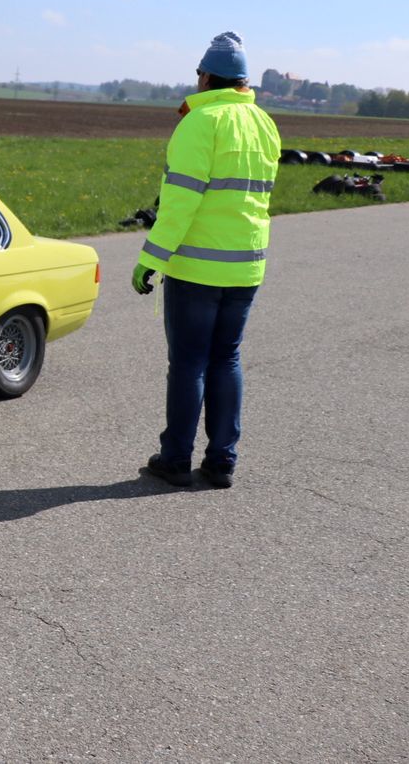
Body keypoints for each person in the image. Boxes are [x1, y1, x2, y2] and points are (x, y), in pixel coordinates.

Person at [132, 31, 280, 489]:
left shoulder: (199, 123)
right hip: (246, 266)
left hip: (197, 268)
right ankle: (221, 462)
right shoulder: (264, 123)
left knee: (189, 363)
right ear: (243, 80)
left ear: (206, 77)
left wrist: (150, 258)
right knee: (227, 359)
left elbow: (180, 203)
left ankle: (175, 459)